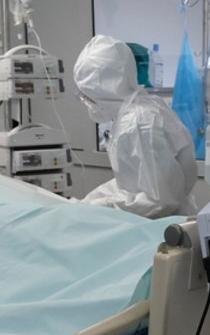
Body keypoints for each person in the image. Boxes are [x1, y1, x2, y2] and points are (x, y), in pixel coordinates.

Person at [74, 34, 197, 218]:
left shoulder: (138, 124)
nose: (86, 101)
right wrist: (89, 201)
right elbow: (132, 182)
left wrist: (101, 206)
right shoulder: (141, 108)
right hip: (155, 220)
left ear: (102, 90)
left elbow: (160, 200)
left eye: (87, 96)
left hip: (160, 224)